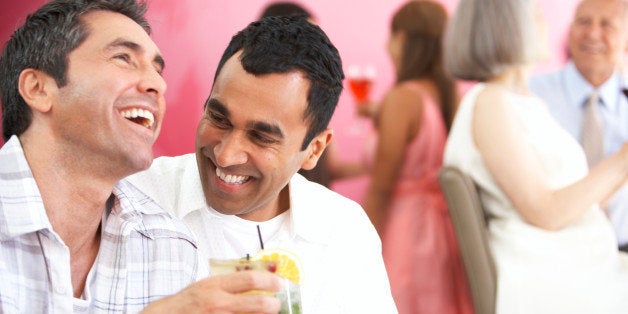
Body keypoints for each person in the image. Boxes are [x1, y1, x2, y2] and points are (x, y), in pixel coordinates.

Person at [0, 0, 284, 312]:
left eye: (157, 69)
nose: (158, 84)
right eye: (123, 58)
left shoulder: (171, 250)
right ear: (39, 88)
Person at [127, 16, 398, 313]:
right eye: (218, 118)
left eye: (261, 137)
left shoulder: (343, 230)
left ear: (314, 149)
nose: (226, 155)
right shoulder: (133, 199)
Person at [443, 0, 628, 313]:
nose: (545, 22)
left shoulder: (521, 101)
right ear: (510, 27)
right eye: (535, 14)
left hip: (575, 263)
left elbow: (574, 204)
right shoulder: (491, 102)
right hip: (552, 273)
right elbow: (546, 211)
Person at [357, 2, 472, 313]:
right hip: (442, 231)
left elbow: (381, 188)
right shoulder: (449, 95)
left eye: (390, 36)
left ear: (403, 39)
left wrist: (356, 247)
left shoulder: (403, 99)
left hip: (404, 230)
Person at [529, 0, 628, 251]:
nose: (593, 33)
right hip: (556, 248)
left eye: (607, 25)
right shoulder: (533, 97)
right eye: (583, 22)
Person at [259, 1, 366, 188]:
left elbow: (330, 168)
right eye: (310, 35)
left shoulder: (315, 92)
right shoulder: (258, 98)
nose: (319, 44)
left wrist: (375, 165)